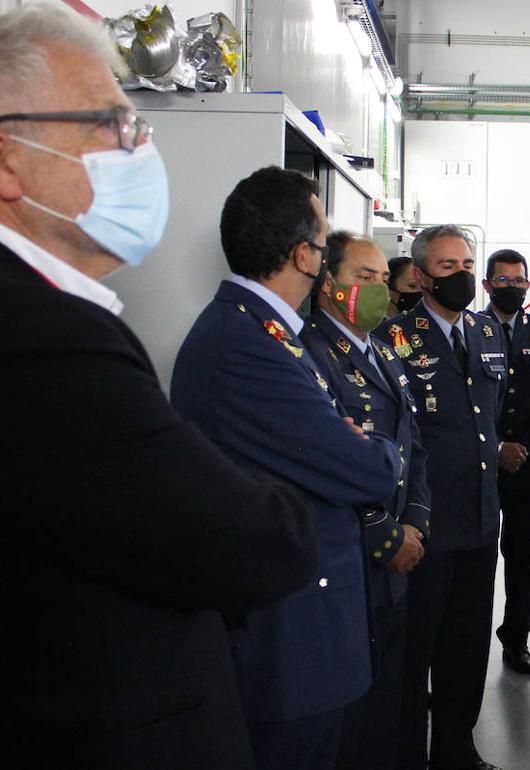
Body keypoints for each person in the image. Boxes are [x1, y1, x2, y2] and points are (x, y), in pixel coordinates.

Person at [0, 6, 318, 768]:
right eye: (108, 123)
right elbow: (257, 541)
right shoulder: (43, 341)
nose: (139, 148)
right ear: (8, 164)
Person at [171, 167, 404, 770]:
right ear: (304, 254)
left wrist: (348, 445)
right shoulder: (247, 341)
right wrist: (373, 450)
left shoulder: (272, 332)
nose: (326, 257)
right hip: (285, 633)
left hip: (301, 617)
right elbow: (366, 469)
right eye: (325, 244)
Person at [300, 231, 432, 770]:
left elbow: (412, 446)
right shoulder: (310, 352)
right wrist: (387, 536)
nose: (378, 290)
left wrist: (416, 522)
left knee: (394, 696)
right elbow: (325, 466)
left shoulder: (380, 348)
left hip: (399, 558)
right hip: (357, 558)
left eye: (383, 279)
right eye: (364, 278)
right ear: (329, 283)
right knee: (357, 713)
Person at [387, 225, 506, 770]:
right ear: (419, 276)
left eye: (466, 264)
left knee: (468, 646)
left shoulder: (486, 333)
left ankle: (457, 746)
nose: (460, 276)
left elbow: (490, 419)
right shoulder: (395, 339)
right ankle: (409, 751)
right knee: (417, 651)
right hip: (428, 521)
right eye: (446, 267)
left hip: (481, 518)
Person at [480, 248, 530, 675]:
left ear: (528, 285)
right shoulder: (470, 329)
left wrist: (521, 447)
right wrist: (495, 448)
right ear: (487, 284)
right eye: (503, 281)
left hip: (528, 465)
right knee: (475, 558)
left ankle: (516, 639)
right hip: (476, 466)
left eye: (518, 281)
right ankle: (468, 641)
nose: (511, 287)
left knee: (521, 558)